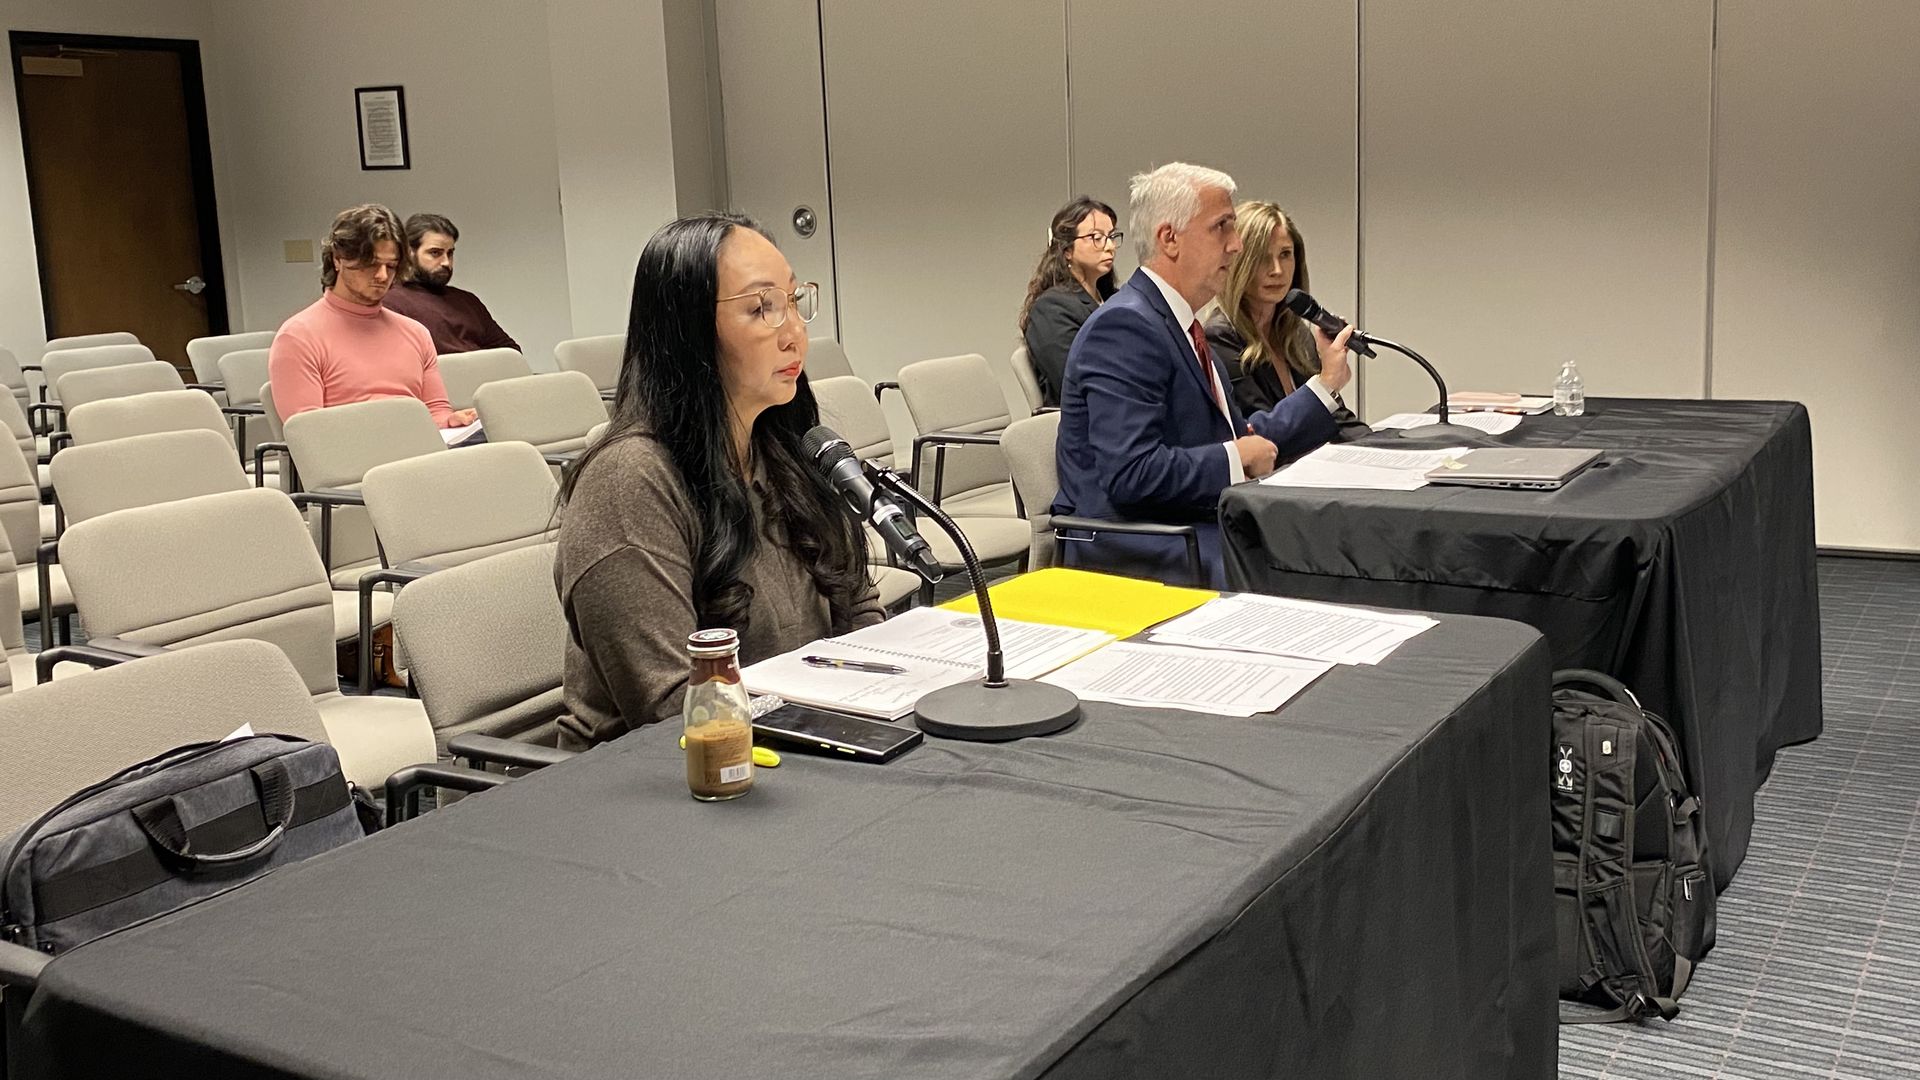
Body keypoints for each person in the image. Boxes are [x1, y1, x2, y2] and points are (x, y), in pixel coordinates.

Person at [554, 212, 883, 749]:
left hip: (801, 737)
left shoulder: (785, 448)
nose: (795, 333)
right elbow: (671, 707)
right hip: (661, 782)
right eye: (762, 309)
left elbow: (858, 606)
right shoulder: (627, 481)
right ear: (686, 330)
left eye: (794, 303)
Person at [1051, 163, 1353, 587]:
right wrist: (1235, 458)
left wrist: (1324, 387)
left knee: (1338, 539)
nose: (1236, 245)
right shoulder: (1124, 328)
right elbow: (1131, 474)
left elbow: (1239, 436)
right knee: (1312, 564)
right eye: (1222, 228)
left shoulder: (1179, 323)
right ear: (1169, 239)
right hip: (1137, 544)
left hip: (1188, 522)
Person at [268, 204, 476, 429]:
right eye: (371, 264)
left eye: (391, 266)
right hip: (353, 458)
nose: (382, 275)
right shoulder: (298, 336)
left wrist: (451, 422)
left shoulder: (416, 333)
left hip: (418, 452)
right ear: (338, 259)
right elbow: (310, 435)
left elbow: (436, 412)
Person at [1206, 202, 1370, 442]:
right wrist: (1326, 384)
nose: (1277, 270)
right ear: (1238, 263)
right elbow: (1261, 436)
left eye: (1285, 255)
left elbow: (1337, 418)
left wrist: (1383, 447)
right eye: (1262, 258)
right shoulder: (1220, 338)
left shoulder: (1296, 333)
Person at [1017, 197, 1120, 406]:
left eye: (1111, 236)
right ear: (1067, 250)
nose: (1109, 246)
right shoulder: (1050, 308)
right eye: (1096, 237)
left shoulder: (1115, 299)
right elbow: (1074, 382)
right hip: (1088, 423)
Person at [380, 212, 523, 356]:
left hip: (486, 377)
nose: (446, 262)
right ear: (409, 252)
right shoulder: (391, 302)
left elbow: (511, 352)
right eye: (435, 253)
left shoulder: (468, 301)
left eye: (450, 253)